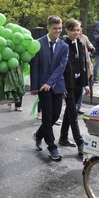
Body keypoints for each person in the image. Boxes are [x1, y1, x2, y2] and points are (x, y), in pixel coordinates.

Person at [30, 15, 69, 161]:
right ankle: (52, 148)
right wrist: (35, 87)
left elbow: (61, 68)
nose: (58, 31)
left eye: (60, 28)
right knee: (47, 117)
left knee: (54, 116)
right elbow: (35, 66)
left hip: (57, 85)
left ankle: (39, 134)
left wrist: (50, 83)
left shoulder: (64, 46)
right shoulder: (38, 44)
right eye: (55, 28)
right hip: (42, 86)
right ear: (48, 28)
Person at [58, 19, 89, 155]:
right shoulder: (63, 45)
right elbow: (60, 68)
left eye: (78, 30)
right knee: (73, 112)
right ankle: (80, 142)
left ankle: (63, 137)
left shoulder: (81, 45)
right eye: (74, 30)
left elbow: (83, 64)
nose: (77, 33)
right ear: (67, 31)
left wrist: (86, 83)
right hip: (67, 84)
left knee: (70, 112)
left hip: (78, 83)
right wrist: (62, 86)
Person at [77, 28, 95, 113]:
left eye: (80, 31)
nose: (79, 33)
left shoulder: (84, 38)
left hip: (84, 63)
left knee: (81, 88)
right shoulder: (73, 40)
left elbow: (89, 44)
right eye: (77, 31)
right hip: (76, 66)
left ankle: (79, 106)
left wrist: (91, 47)